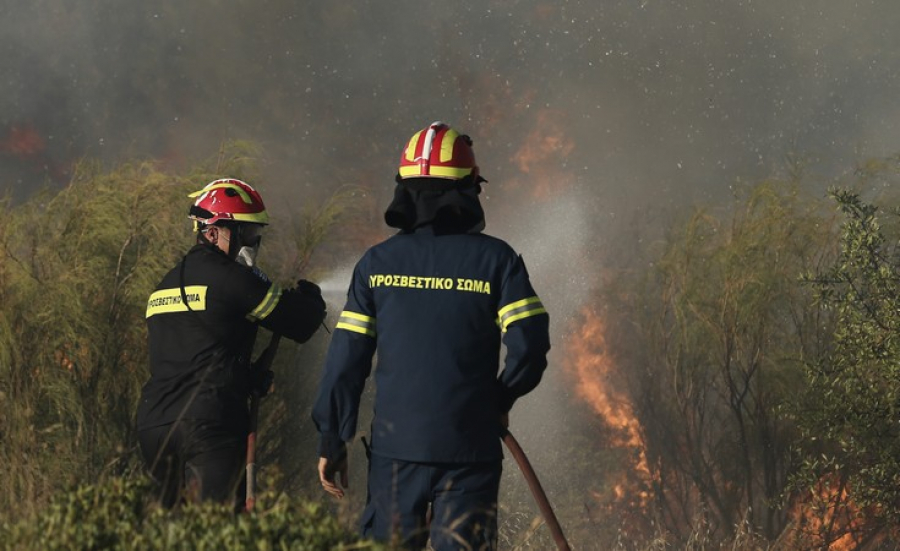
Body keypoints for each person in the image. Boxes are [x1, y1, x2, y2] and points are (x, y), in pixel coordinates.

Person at [313, 122, 551, 550]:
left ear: (405, 190)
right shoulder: (497, 261)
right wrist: (499, 400)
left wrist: (333, 437)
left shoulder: (376, 264)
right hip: (470, 453)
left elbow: (346, 359)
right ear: (467, 189)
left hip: (394, 455)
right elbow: (530, 347)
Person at [136, 178, 326, 510]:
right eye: (247, 233)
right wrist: (311, 300)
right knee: (216, 530)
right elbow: (300, 323)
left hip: (154, 427)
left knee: (167, 534)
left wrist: (244, 376)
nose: (252, 243)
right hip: (208, 425)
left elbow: (197, 354)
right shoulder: (232, 277)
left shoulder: (164, 284)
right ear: (214, 231)